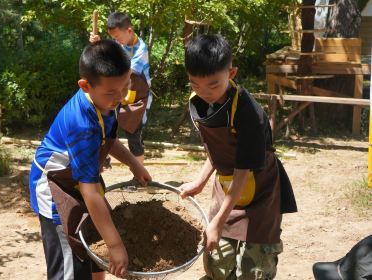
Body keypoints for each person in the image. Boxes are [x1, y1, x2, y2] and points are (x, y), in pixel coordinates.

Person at [29, 39, 152, 280]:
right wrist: (115, 246)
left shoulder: (106, 99)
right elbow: (91, 193)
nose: (119, 97)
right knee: (72, 261)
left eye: (124, 87)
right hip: (57, 188)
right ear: (85, 86)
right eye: (111, 93)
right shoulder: (82, 125)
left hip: (83, 181)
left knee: (95, 253)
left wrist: (134, 162)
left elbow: (107, 138)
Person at [179, 34, 298, 280]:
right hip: (227, 185)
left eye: (213, 85)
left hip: (259, 187)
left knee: (254, 270)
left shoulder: (247, 112)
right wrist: (199, 183)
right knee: (217, 266)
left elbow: (243, 172)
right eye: (195, 85)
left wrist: (218, 222)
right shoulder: (200, 102)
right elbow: (217, 149)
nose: (204, 93)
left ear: (231, 74)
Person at [90, 11, 151, 165]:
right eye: (113, 38)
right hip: (119, 94)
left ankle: (139, 176)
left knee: (134, 135)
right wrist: (98, 44)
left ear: (129, 31)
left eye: (117, 36)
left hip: (137, 98)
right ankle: (103, 160)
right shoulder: (119, 44)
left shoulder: (141, 49)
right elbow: (106, 55)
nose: (116, 40)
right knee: (106, 126)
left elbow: (125, 72)